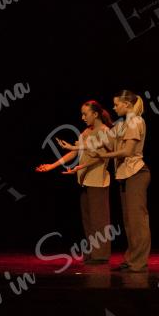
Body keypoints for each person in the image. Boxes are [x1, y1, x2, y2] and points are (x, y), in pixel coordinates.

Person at [37, 100, 114, 265]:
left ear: (95, 114)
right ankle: (92, 253)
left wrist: (81, 166)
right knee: (88, 219)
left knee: (99, 219)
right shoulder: (86, 132)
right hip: (84, 180)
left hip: (97, 180)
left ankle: (101, 255)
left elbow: (101, 157)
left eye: (85, 114)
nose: (83, 117)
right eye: (82, 114)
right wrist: (52, 165)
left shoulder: (105, 132)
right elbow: (74, 152)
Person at [89, 90, 151, 272]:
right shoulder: (122, 124)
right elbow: (104, 140)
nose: (114, 108)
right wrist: (77, 146)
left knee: (137, 220)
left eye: (117, 104)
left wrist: (104, 156)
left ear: (127, 104)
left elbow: (128, 151)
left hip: (136, 173)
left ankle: (138, 263)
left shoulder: (135, 122)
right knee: (129, 221)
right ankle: (131, 259)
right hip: (125, 174)